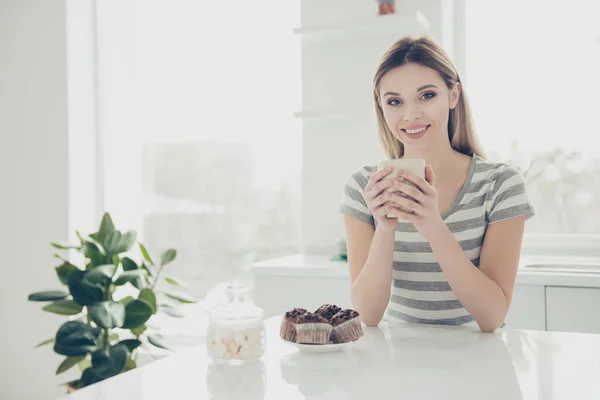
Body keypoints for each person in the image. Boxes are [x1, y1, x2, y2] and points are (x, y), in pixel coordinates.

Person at [339, 36, 535, 332]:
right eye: (394, 101)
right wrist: (386, 227)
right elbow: (367, 315)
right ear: (381, 108)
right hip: (396, 360)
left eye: (426, 95)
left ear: (453, 95)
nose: (411, 115)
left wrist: (432, 225)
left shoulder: (499, 184)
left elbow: (492, 316)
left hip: (479, 359)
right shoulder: (362, 188)